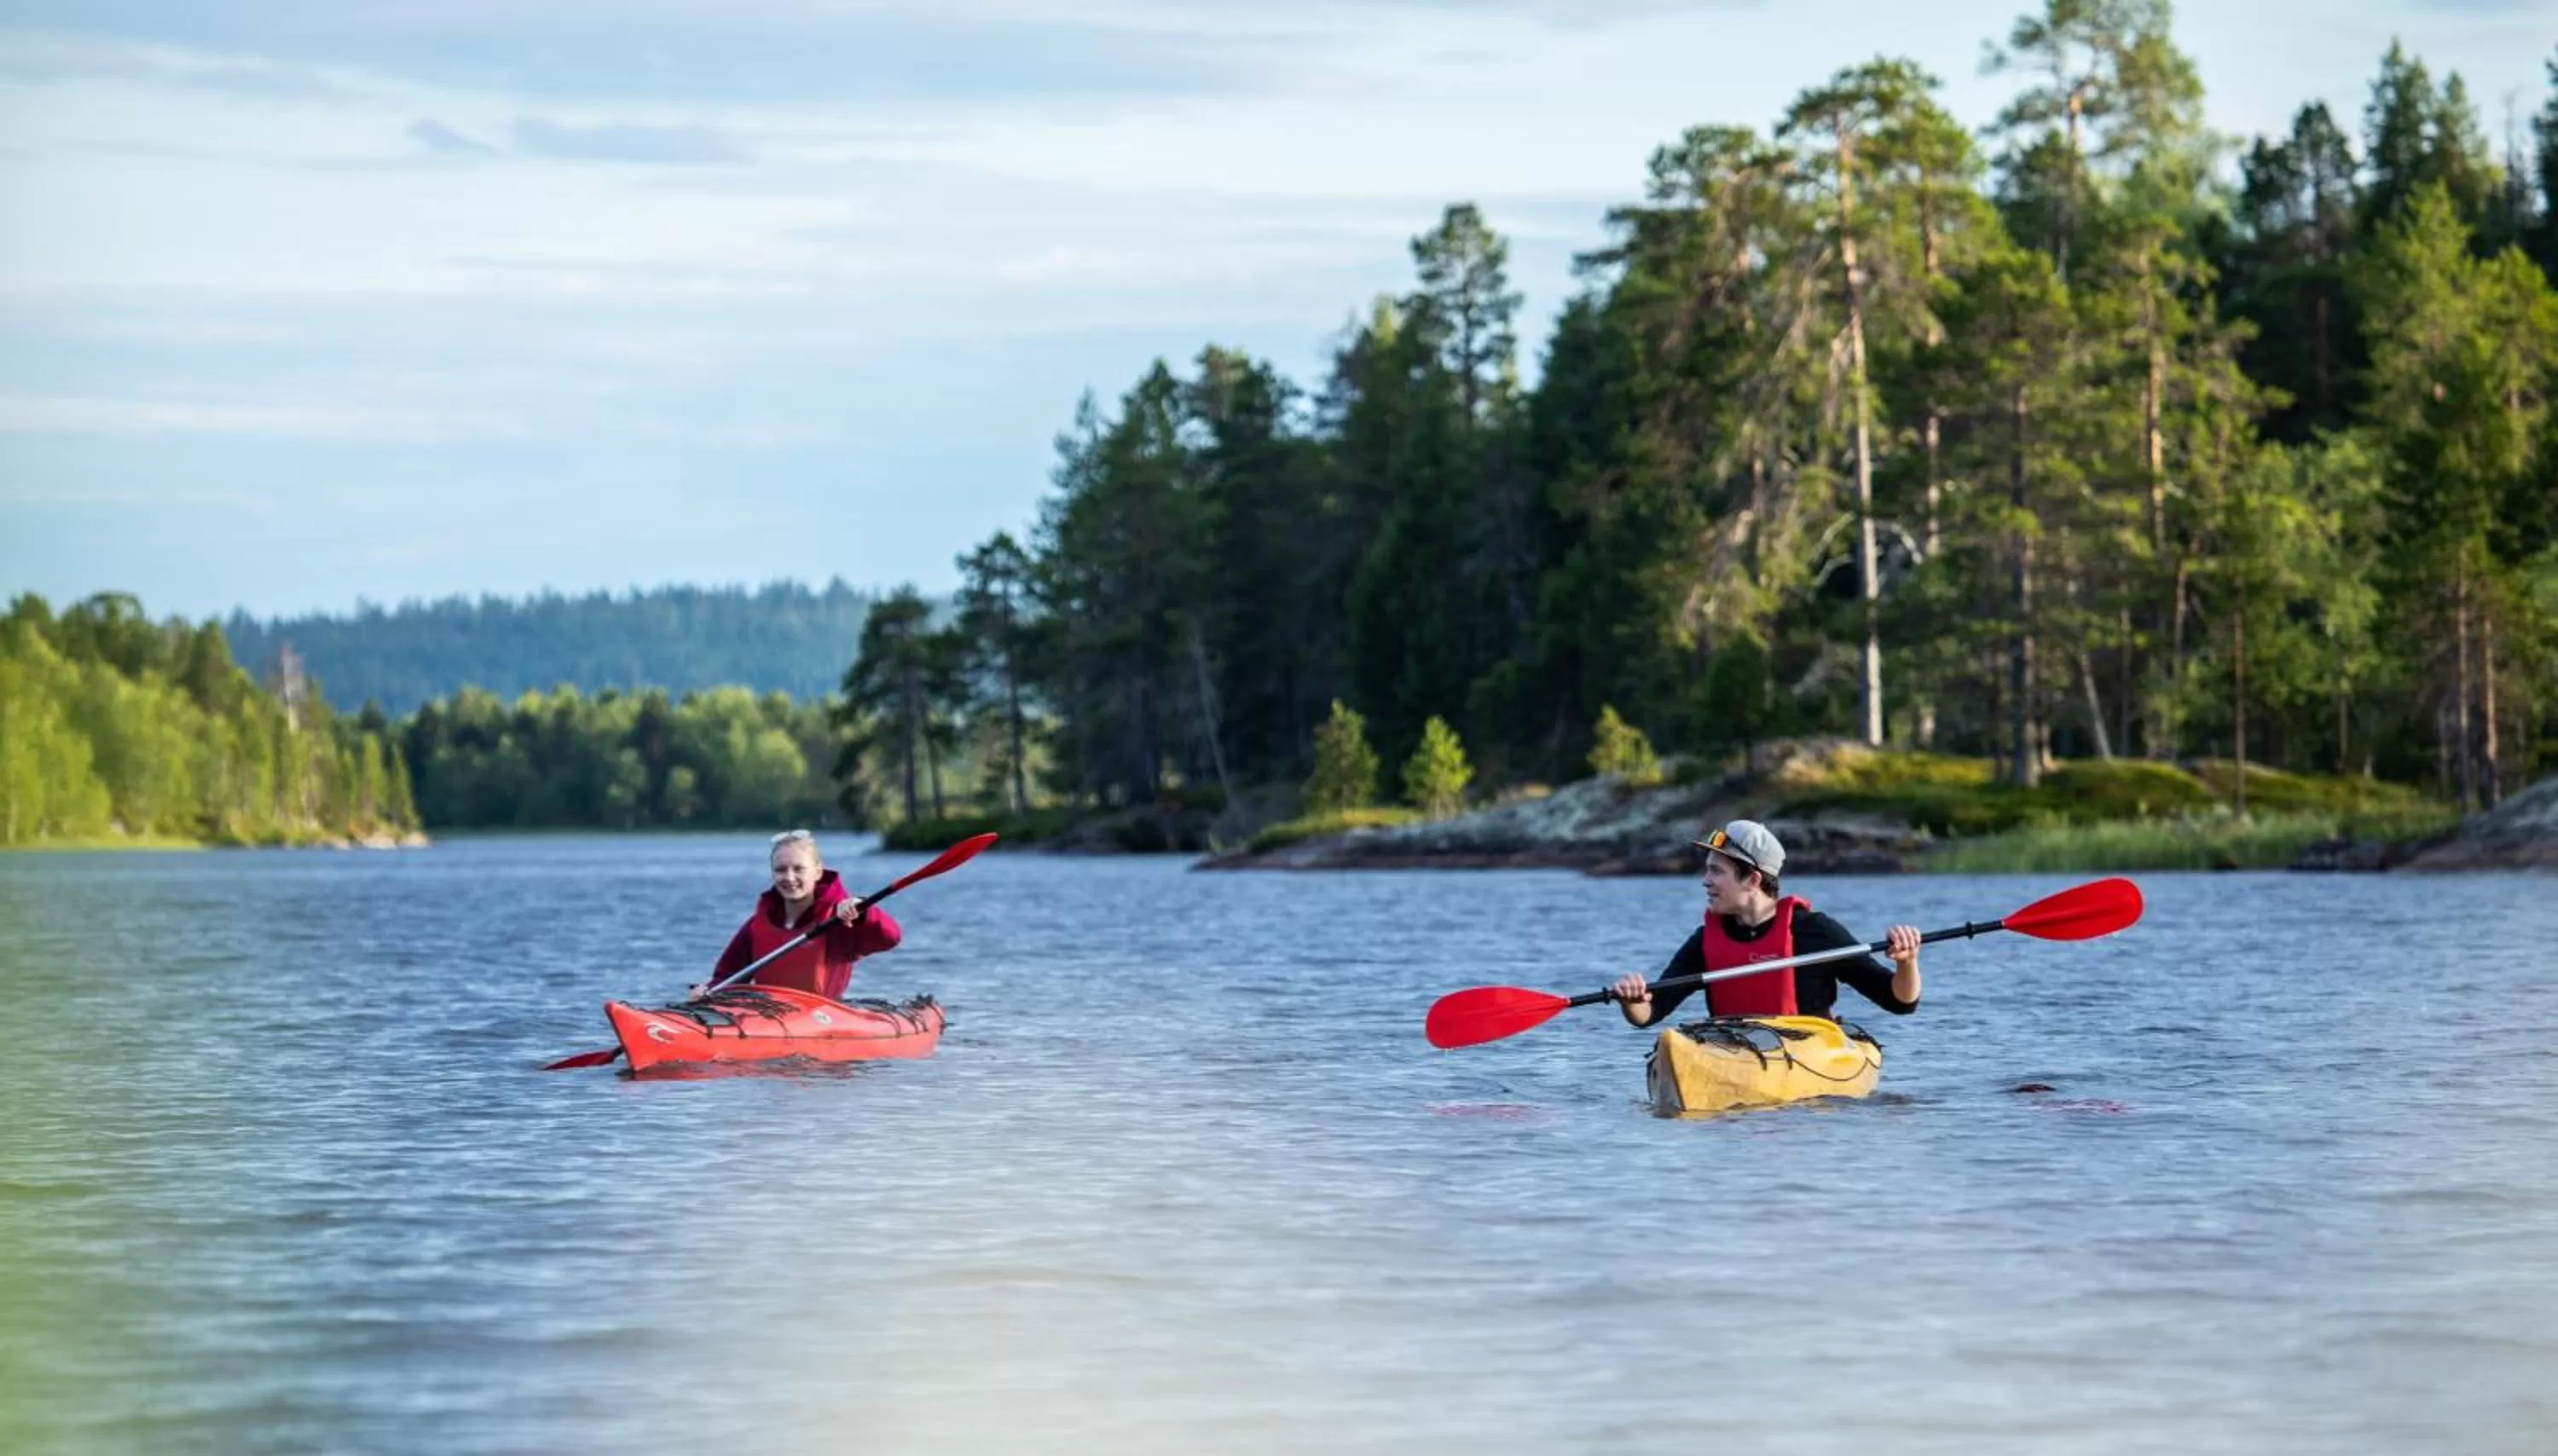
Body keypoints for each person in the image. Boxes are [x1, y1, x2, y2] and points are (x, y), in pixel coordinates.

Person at [1612, 819, 1921, 1027]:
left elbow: (1898, 1001)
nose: (1705, 881)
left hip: (1807, 1055)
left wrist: (1907, 963)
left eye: (1717, 871)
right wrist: (1632, 1001)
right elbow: (1650, 1013)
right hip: (1732, 1051)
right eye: (1707, 871)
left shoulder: (1816, 932)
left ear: (1753, 879)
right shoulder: (1705, 941)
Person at [691, 829, 900, 1001]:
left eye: (799, 869)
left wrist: (863, 912)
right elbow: (727, 977)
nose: (789, 877)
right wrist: (707, 992)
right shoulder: (757, 925)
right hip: (767, 1014)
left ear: (818, 872)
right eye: (781, 870)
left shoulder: (840, 922)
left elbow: (890, 937)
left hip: (822, 1018)